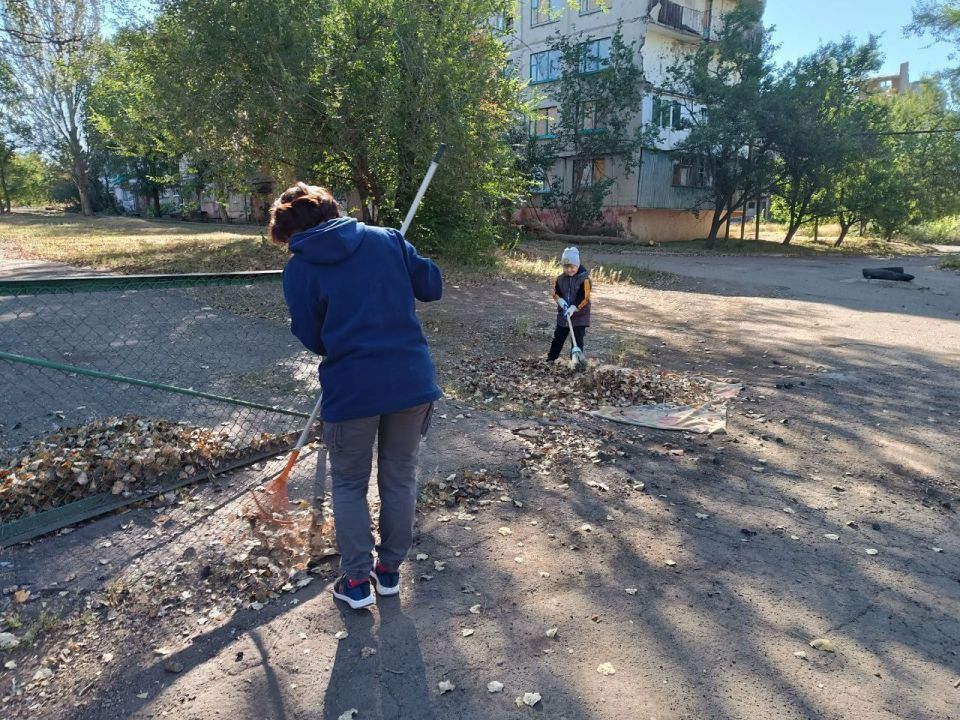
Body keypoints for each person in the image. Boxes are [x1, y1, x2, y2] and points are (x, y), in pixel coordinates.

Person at [268, 182, 443, 610]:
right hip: (409, 381)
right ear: (333, 210)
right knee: (399, 476)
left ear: (290, 232)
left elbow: (312, 336)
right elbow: (432, 285)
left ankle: (358, 583)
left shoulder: (300, 268)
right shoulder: (387, 239)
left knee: (348, 483)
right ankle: (389, 573)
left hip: (352, 389)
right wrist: (401, 253)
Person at [547, 246, 591, 362]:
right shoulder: (560, 279)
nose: (569, 270)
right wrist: (561, 302)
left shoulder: (584, 279)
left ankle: (575, 362)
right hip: (564, 315)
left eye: (572, 267)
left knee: (577, 340)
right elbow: (557, 293)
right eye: (566, 267)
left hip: (580, 316)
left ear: (577, 265)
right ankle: (551, 359)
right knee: (558, 338)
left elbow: (584, 297)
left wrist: (573, 308)